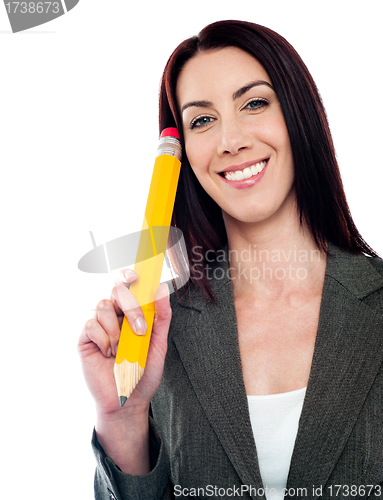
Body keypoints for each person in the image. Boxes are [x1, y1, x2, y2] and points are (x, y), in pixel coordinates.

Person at [78, 20, 383, 500]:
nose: (230, 140)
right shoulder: (157, 333)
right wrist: (123, 420)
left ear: (298, 115)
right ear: (183, 154)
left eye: (254, 103)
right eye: (202, 120)